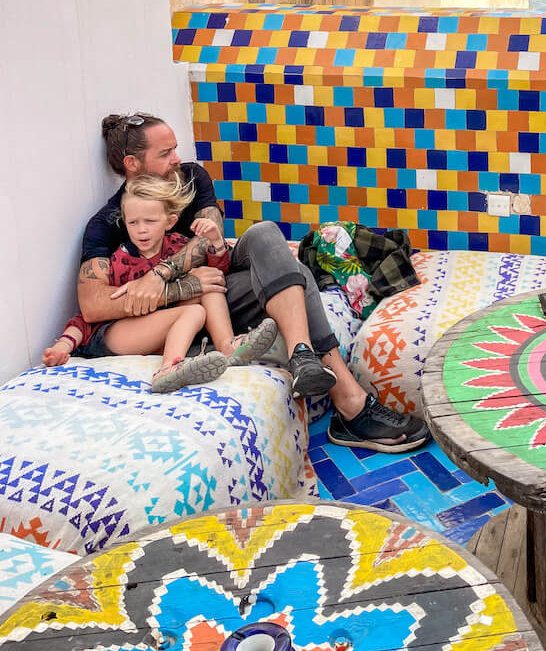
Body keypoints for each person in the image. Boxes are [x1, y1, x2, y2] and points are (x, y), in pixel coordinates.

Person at [76, 113, 429, 451]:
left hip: (218, 290)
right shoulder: (107, 223)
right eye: (165, 153)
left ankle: (302, 355)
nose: (176, 159)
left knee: (266, 235)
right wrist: (184, 286)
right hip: (185, 312)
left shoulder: (191, 177)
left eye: (175, 149)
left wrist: (162, 274)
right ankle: (351, 403)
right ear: (132, 163)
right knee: (299, 277)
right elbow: (92, 306)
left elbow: (209, 238)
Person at [45, 174, 277, 392]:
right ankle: (168, 369)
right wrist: (64, 344)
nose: (141, 230)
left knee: (206, 282)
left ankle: (228, 346)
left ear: (170, 221)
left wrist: (215, 242)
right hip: (117, 332)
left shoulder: (178, 246)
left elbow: (219, 273)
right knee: (194, 312)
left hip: (158, 325)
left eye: (150, 221)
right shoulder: (122, 261)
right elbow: (89, 316)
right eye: (133, 222)